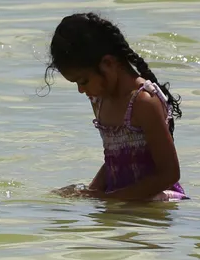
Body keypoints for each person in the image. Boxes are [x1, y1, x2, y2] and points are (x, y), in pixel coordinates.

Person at [48, 13, 185, 201]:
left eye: (84, 81)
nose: (81, 90)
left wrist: (111, 199)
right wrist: (91, 192)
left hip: (157, 199)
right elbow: (117, 160)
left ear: (108, 63)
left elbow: (169, 174)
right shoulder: (99, 100)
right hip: (122, 198)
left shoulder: (144, 102)